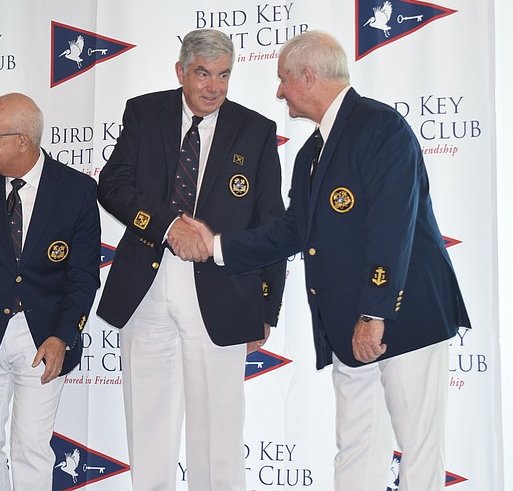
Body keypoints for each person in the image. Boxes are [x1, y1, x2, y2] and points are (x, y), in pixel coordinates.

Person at [185, 30, 471, 491]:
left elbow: (392, 225)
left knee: (418, 448)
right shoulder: (310, 153)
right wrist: (216, 247)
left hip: (404, 316)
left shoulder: (381, 127)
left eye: (283, 80)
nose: (279, 92)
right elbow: (292, 232)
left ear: (309, 77)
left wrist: (374, 313)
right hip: (347, 327)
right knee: (357, 444)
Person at [96, 28, 286, 491]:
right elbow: (112, 186)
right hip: (147, 285)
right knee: (148, 422)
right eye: (203, 74)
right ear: (181, 71)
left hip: (224, 290)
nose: (214, 87)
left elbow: (270, 224)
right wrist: (167, 226)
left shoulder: (256, 130)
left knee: (218, 430)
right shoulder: (145, 113)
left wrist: (267, 306)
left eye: (224, 75)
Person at [0, 93, 100, 491]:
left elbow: (83, 277)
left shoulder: (77, 189)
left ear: (23, 140)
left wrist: (63, 336)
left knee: (31, 447)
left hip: (44, 340)